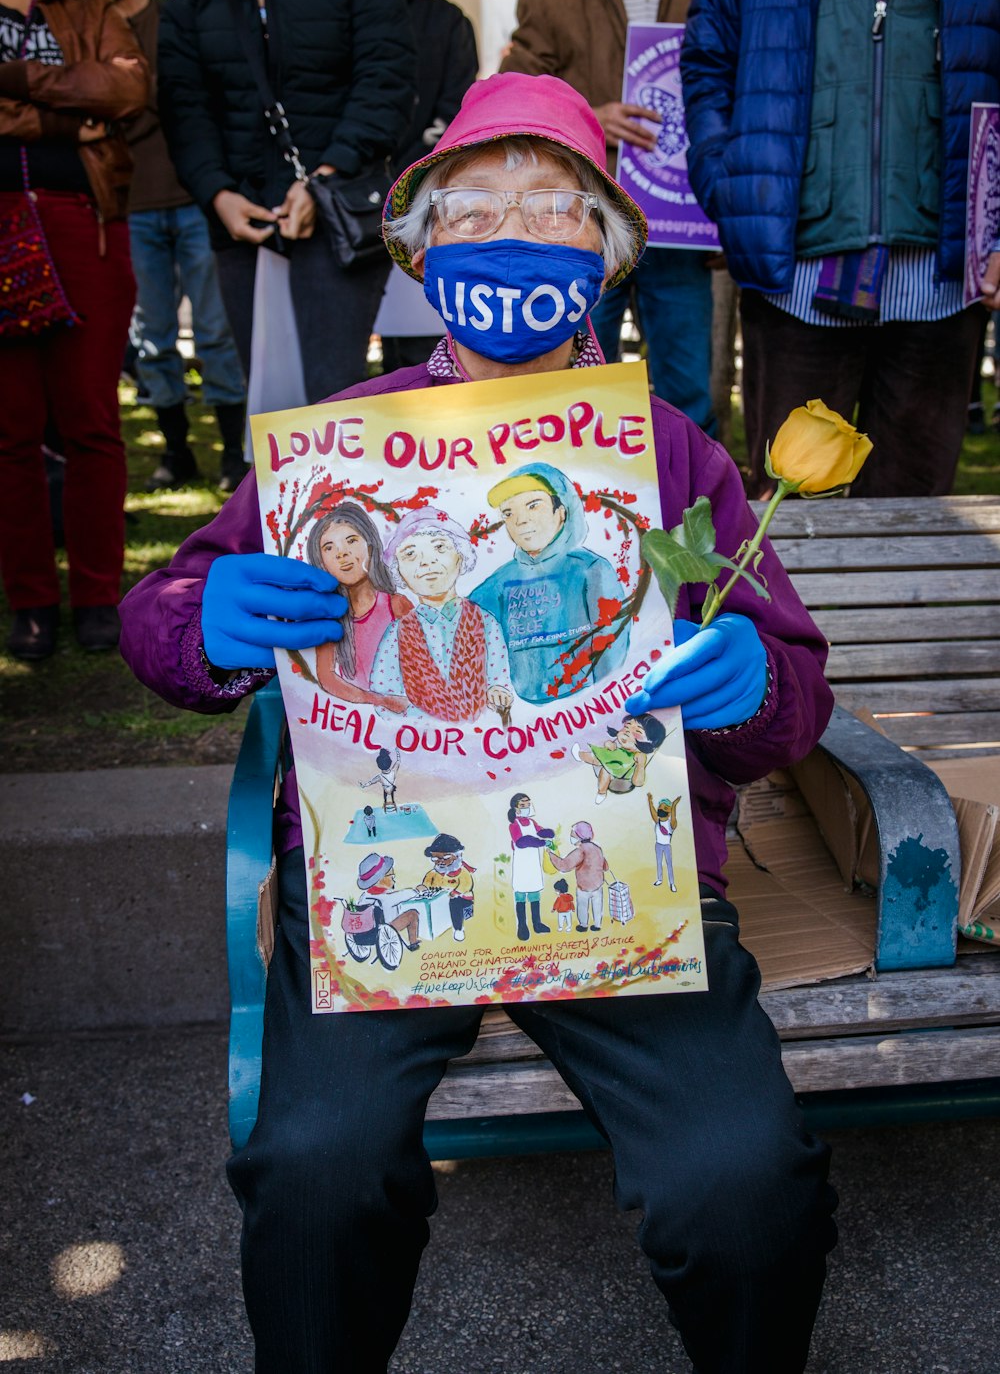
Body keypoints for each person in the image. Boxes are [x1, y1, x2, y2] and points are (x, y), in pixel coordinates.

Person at [120, 72, 838, 1374]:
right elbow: (160, 613)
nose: (514, 227)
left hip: (622, 886)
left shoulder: (675, 454)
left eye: (554, 206)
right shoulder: (337, 448)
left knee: (745, 1181)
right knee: (316, 1173)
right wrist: (203, 622)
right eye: (477, 204)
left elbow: (789, 688)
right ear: (423, 249)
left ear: (609, 259)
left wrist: (753, 685)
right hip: (384, 894)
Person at [681, 0, 1000, 498]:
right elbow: (709, 55)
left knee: (914, 532)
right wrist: (731, 185)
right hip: (794, 273)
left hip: (941, 278)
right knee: (788, 529)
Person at [156, 0, 416, 405]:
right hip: (241, 218)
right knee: (268, 406)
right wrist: (218, 194)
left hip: (336, 215)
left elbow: (386, 74)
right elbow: (184, 101)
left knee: (332, 401)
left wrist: (328, 175)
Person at [501, 0, 715, 431]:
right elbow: (513, 101)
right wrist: (589, 119)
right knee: (578, 390)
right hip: (582, 224)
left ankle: (691, 512)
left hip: (680, 221)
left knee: (690, 393)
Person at [0, 0, 149, 660]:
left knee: (92, 423)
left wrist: (17, 84)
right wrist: (67, 113)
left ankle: (97, 595)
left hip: (84, 228)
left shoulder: (87, 10)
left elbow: (126, 88)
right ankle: (29, 602)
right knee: (9, 431)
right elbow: (92, 98)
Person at [60, 0, 249, 494]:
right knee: (153, 335)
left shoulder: (175, 17)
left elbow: (187, 101)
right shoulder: (84, 31)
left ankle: (230, 452)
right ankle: (176, 452)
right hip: (126, 205)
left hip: (193, 200)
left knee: (217, 331)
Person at [348, 0, 479, 374]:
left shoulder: (446, 25)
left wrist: (399, 195)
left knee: (421, 373)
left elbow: (453, 125)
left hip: (416, 219)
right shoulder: (319, 22)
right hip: (328, 224)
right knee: (332, 376)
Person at [469, 461, 628, 703]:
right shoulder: (499, 582)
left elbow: (611, 650)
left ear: (561, 512)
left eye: (533, 506)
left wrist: (606, 708)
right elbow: (465, 630)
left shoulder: (591, 569)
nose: (520, 521)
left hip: (584, 706)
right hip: (520, 716)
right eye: (508, 513)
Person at [369, 506, 513, 723]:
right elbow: (384, 696)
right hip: (420, 740)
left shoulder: (486, 622)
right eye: (410, 554)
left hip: (480, 734)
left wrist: (498, 692)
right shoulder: (396, 634)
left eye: (439, 547)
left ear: (461, 556)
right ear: (398, 571)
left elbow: (498, 677)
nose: (426, 562)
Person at [305, 500, 412, 713]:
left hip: (407, 720)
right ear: (321, 561)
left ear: (370, 547)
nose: (341, 554)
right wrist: (380, 701)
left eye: (351, 541)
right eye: (329, 547)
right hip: (355, 724)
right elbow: (327, 678)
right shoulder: (329, 617)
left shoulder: (396, 605)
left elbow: (423, 664)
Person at [507, 791, 556, 940]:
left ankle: (537, 923)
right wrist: (541, 842)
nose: (527, 807)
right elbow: (521, 841)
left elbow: (540, 831)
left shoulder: (532, 822)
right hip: (522, 864)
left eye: (528, 804)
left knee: (535, 893)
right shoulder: (514, 825)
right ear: (516, 808)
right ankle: (522, 926)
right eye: (523, 805)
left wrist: (549, 833)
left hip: (533, 863)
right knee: (521, 894)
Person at [549, 820, 610, 931]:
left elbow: (565, 865)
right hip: (598, 885)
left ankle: (583, 925)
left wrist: (551, 855)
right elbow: (605, 866)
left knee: (582, 906)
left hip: (584, 887)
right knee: (597, 906)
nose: (571, 837)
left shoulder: (580, 851)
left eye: (572, 835)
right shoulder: (597, 848)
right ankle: (597, 925)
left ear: (579, 836)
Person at [416, 832, 475, 943]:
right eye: (436, 859)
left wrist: (456, 892)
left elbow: (466, 884)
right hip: (439, 901)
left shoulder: (461, 872)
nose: (441, 862)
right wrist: (422, 888)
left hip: (460, 899)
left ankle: (458, 929)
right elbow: (426, 884)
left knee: (455, 903)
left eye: (446, 858)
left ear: (457, 856)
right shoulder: (433, 874)